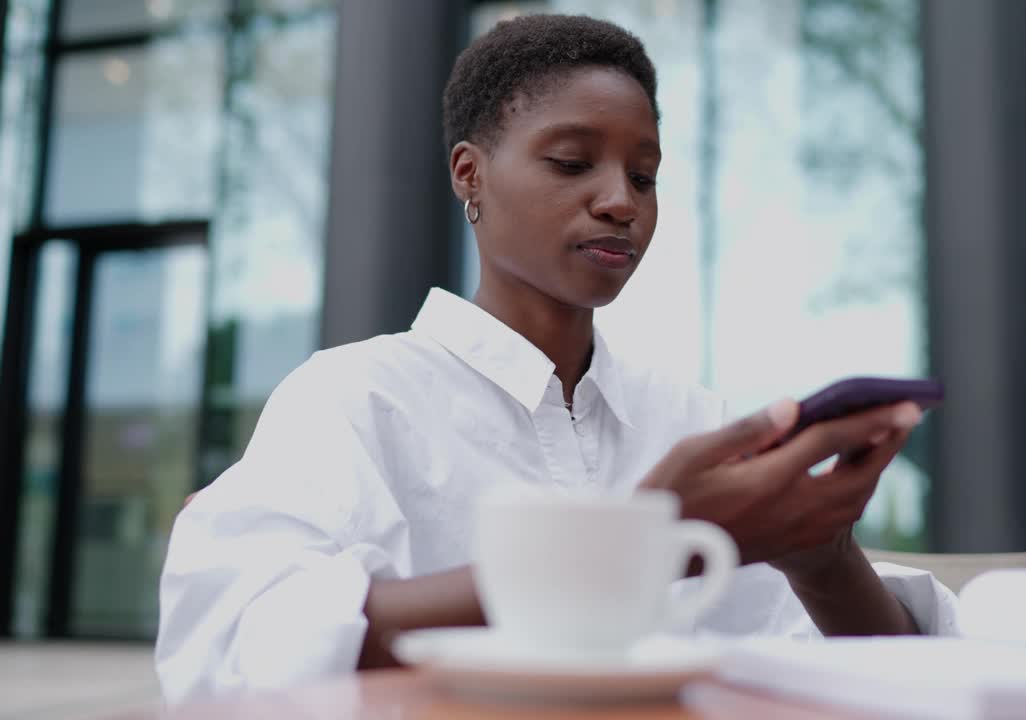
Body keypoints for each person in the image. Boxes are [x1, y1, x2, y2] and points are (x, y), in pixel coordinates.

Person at [155, 13, 956, 703]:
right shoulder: (355, 397)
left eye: (644, 176)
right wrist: (638, 541)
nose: (621, 201)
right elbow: (240, 651)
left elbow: (890, 685)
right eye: (573, 163)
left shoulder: (692, 422)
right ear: (470, 174)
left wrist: (823, 561)